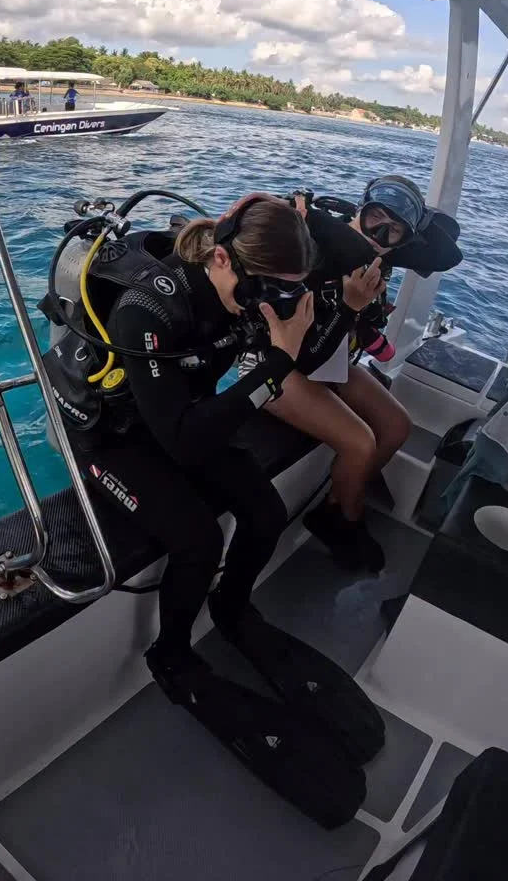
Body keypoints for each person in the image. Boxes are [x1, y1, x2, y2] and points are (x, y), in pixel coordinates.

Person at [47, 196, 314, 695]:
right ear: (220, 258)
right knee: (197, 540)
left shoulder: (247, 297)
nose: (269, 303)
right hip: (112, 440)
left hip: (179, 417)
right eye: (263, 288)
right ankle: (169, 653)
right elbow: (186, 442)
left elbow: (197, 423)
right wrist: (279, 363)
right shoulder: (148, 310)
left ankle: (232, 606)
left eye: (286, 293)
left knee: (266, 512)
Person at [239, 177, 428, 574]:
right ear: (359, 211)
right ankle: (346, 521)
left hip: (329, 356)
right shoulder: (316, 249)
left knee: (396, 426)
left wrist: (360, 311)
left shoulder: (374, 262)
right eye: (375, 219)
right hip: (272, 364)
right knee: (360, 442)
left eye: (392, 231)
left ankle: (336, 502)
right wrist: (348, 307)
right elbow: (299, 358)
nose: (379, 234)